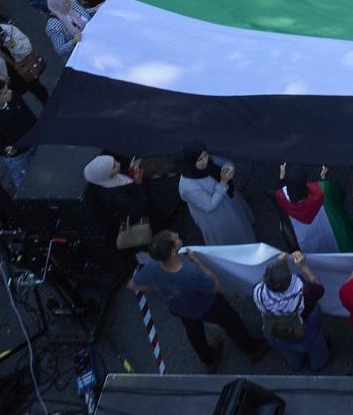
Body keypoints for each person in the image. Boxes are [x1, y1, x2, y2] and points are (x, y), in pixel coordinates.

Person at [129, 229, 264, 370]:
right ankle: (252, 349)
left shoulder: (153, 267)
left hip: (180, 308)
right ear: (173, 252)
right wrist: (198, 261)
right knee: (232, 322)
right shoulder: (191, 272)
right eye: (176, 239)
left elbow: (132, 284)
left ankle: (209, 359)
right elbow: (216, 286)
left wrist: (157, 287)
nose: (178, 235)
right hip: (208, 305)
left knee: (194, 332)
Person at [252, 251, 328, 371]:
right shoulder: (303, 292)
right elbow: (319, 289)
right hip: (304, 335)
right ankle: (317, 365)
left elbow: (269, 281)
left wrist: (278, 265)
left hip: (277, 335)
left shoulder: (259, 292)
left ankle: (295, 365)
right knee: (315, 348)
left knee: (289, 350)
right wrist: (304, 267)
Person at [178, 141, 257, 245]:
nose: (205, 161)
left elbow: (226, 163)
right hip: (216, 217)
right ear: (191, 161)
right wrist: (223, 182)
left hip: (227, 202)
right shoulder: (188, 187)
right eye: (200, 159)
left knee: (239, 224)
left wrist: (229, 169)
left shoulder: (209, 161)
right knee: (228, 235)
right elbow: (209, 206)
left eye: (205, 156)